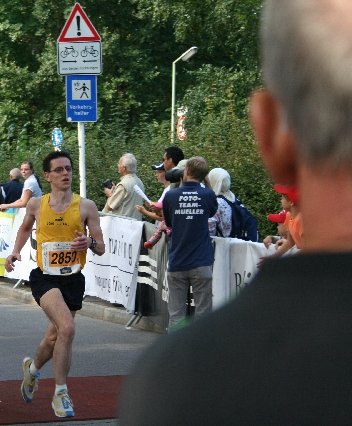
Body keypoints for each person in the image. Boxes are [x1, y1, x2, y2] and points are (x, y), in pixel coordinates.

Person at [120, 1, 352, 423]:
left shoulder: (182, 382)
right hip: (201, 261)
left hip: (186, 269)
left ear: (270, 135)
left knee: (184, 315)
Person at [5, 151, 105, 419]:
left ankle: (33, 370)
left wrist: (89, 244)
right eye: (58, 170)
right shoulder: (37, 204)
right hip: (45, 277)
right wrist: (15, 251)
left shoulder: (86, 206)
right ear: (47, 176)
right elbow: (26, 228)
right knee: (68, 328)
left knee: (54, 336)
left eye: (68, 169)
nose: (65, 174)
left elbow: (102, 247)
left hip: (73, 278)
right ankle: (61, 393)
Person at [161, 156, 217, 331]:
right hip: (201, 262)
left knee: (176, 315)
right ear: (204, 175)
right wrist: (206, 183)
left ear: (185, 171)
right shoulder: (208, 194)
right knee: (203, 313)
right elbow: (211, 212)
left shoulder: (170, 195)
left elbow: (169, 223)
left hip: (177, 260)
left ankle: (175, 354)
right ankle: (201, 353)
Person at [102, 153, 145, 220]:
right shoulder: (140, 182)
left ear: (124, 168)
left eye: (119, 163)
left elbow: (110, 207)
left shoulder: (123, 185)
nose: (118, 165)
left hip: (122, 226)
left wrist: (110, 195)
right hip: (136, 226)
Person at [207, 167, 235, 238]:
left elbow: (210, 230)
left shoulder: (217, 203)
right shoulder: (233, 198)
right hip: (237, 241)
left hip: (223, 245)